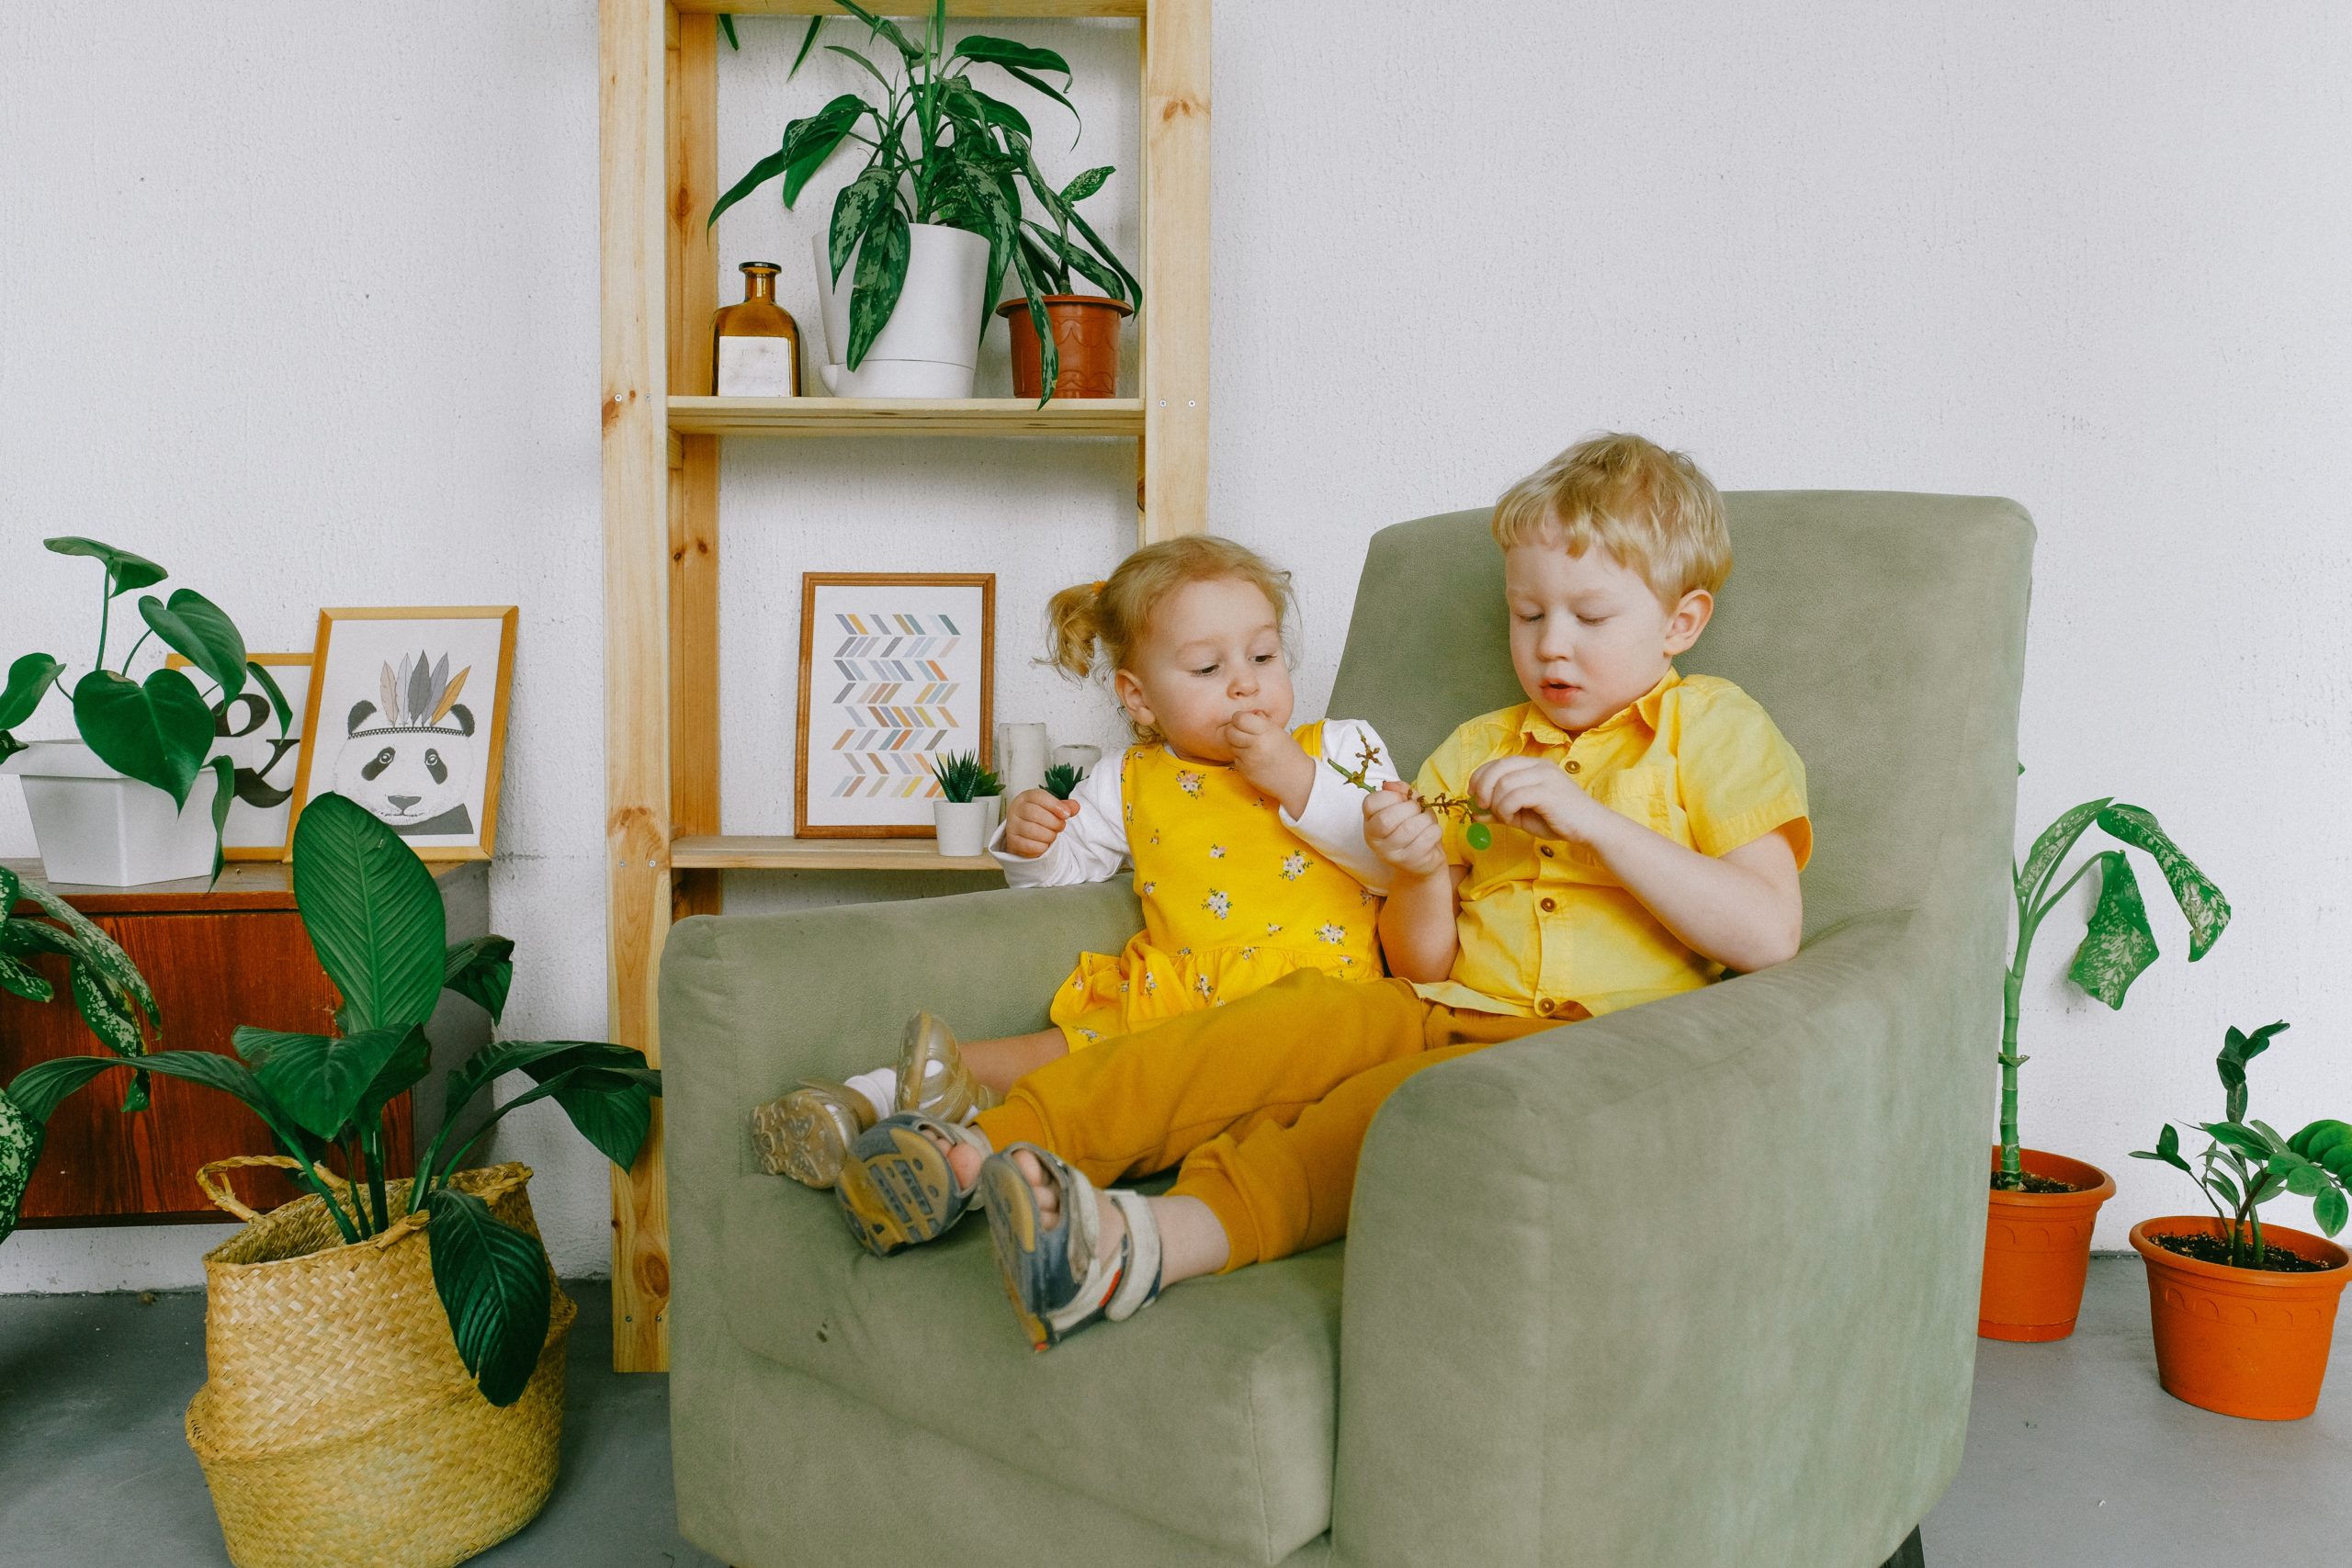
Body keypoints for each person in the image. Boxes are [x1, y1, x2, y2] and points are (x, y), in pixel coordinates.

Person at [833, 432, 1814, 1353]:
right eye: (1527, 614)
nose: (1551, 646)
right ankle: (968, 1157)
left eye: (1590, 618)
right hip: (1435, 1003)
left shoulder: (1710, 729)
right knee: (1261, 1031)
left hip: (1584, 1043)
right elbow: (1420, 960)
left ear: (1681, 621)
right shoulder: (1479, 747)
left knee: (1375, 1118)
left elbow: (1768, 933)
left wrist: (1595, 821)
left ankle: (1142, 1247)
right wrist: (1423, 870)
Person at [752, 535, 1401, 1189]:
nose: (1245, 682)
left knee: (1105, 1085)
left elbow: (1395, 864)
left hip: (1305, 1010)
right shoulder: (1130, 777)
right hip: (1169, 1005)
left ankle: (968, 1153)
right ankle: (864, 1100)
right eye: (1208, 669)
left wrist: (1295, 777)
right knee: (1045, 1052)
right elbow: (1062, 872)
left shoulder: (1342, 747)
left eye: (1264, 655)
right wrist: (1030, 842)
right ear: (1140, 698)